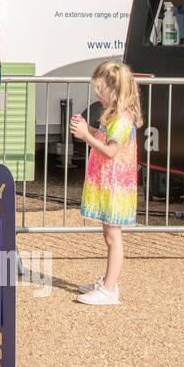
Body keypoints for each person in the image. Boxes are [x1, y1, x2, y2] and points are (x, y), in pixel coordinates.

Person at [70, 60, 141, 306]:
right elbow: (103, 139)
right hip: (109, 184)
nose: (98, 96)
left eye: (102, 92)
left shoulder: (122, 119)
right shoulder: (113, 116)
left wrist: (86, 135)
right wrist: (86, 128)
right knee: (109, 235)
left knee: (113, 237)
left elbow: (110, 151)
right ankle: (108, 283)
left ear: (115, 91)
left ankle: (110, 289)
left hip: (116, 186)